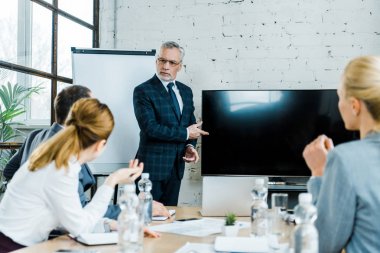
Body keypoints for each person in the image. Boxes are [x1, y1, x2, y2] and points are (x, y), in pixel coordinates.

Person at [0, 98, 159, 252]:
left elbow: (70, 217)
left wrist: (111, 224)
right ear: (100, 145)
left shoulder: (54, 156)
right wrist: (112, 181)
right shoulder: (62, 168)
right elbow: (80, 227)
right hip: (12, 247)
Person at [3, 85, 169, 219]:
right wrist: (139, 210)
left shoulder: (35, 136)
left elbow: (9, 171)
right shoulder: (66, 155)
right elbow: (82, 213)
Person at [303, 56, 380, 253]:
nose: (338, 104)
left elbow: (322, 245)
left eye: (339, 96)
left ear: (355, 105)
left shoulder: (345, 159)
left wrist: (319, 172)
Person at [133, 41, 209, 205]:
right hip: (150, 171)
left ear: (179, 66)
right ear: (157, 61)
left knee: (169, 220)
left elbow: (191, 125)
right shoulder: (143, 91)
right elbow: (150, 128)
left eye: (172, 62)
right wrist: (186, 134)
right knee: (146, 221)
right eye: (162, 60)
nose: (166, 66)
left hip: (176, 169)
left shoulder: (186, 92)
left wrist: (189, 146)